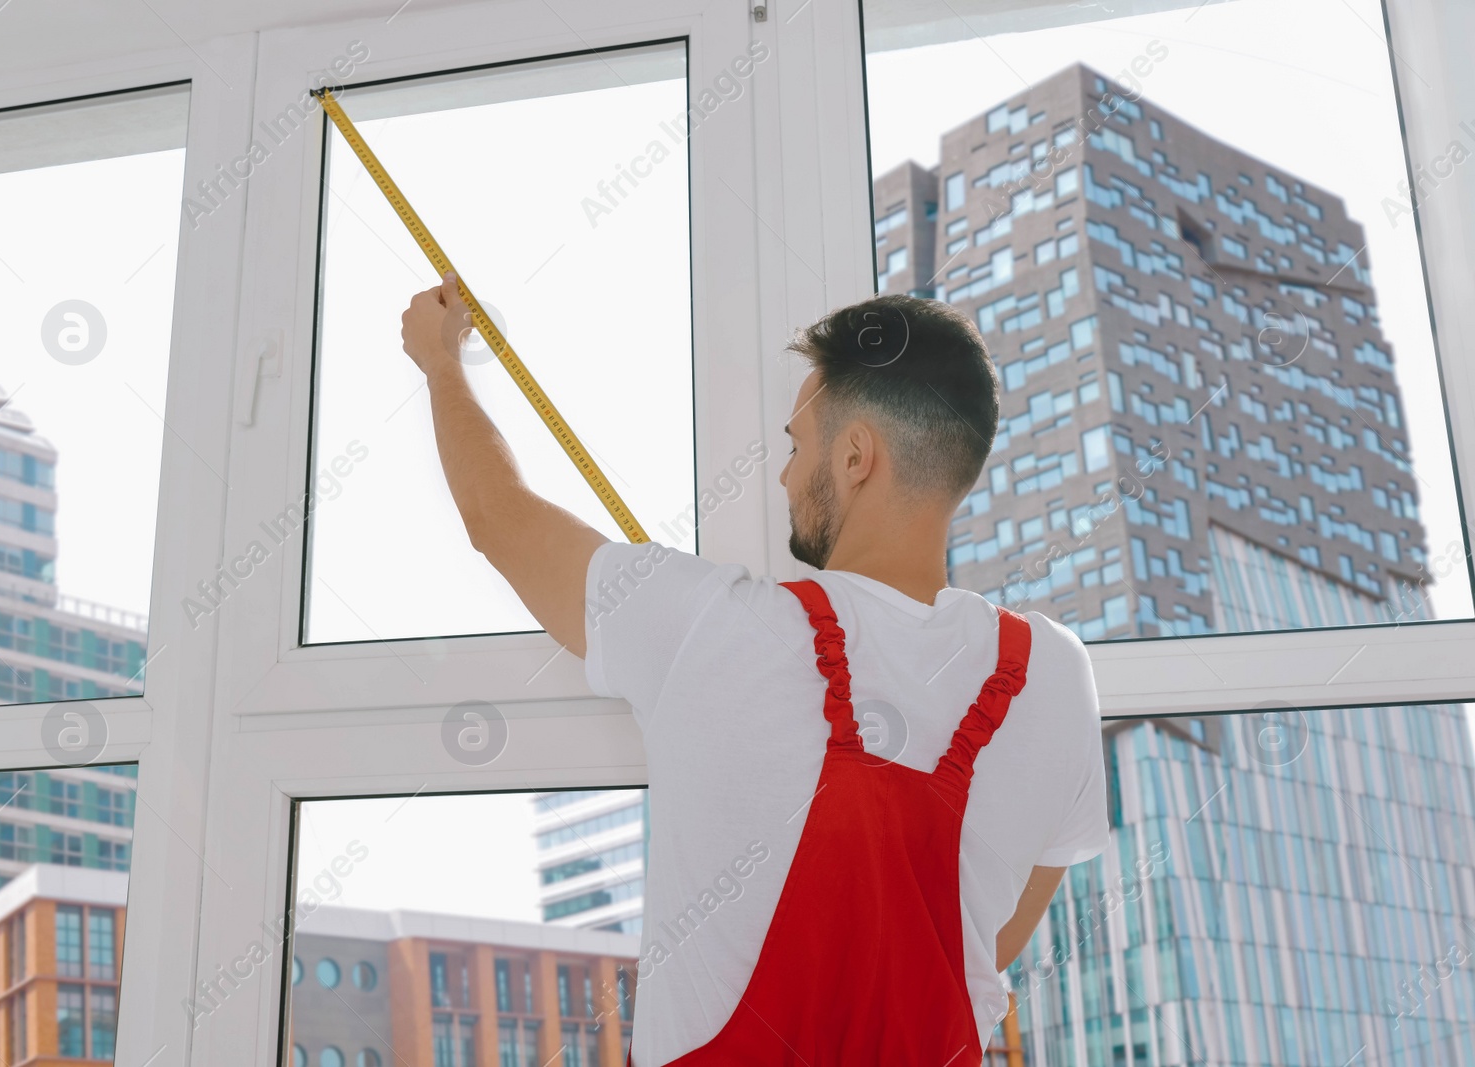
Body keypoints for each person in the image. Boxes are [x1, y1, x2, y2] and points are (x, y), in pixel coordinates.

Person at [400, 271, 1109, 1065]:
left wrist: (440, 365)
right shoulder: (1051, 672)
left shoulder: (715, 625)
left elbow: (500, 517)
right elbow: (998, 931)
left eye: (796, 445)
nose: (781, 475)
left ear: (853, 456)